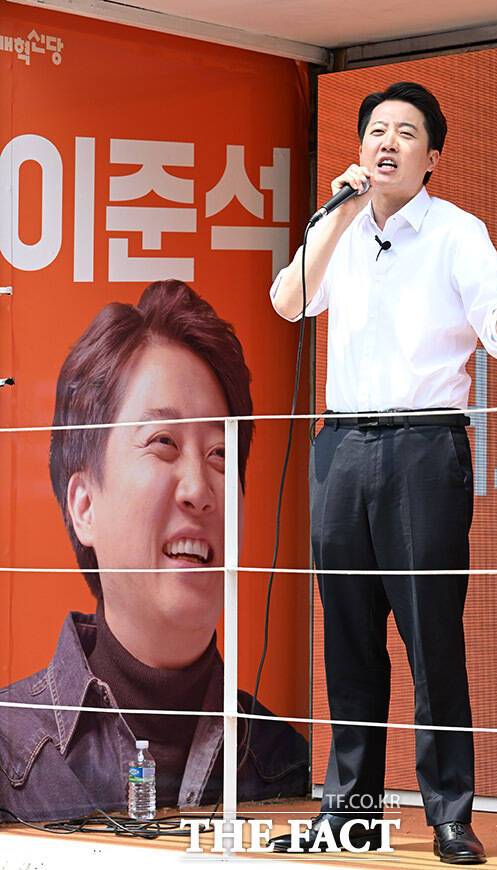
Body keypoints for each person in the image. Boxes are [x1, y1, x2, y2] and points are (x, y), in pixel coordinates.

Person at [269, 82, 497, 863]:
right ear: (360, 148)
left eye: (405, 132)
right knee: (348, 642)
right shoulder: (337, 224)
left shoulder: (458, 232)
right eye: (376, 131)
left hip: (425, 448)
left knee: (432, 639)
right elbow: (289, 302)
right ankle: (350, 815)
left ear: (433, 158)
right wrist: (335, 217)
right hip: (341, 447)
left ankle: (450, 816)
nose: (387, 143)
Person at [0, 279, 307, 823]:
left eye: (220, 454)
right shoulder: (9, 750)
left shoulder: (288, 764)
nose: (199, 489)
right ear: (84, 505)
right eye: (164, 442)